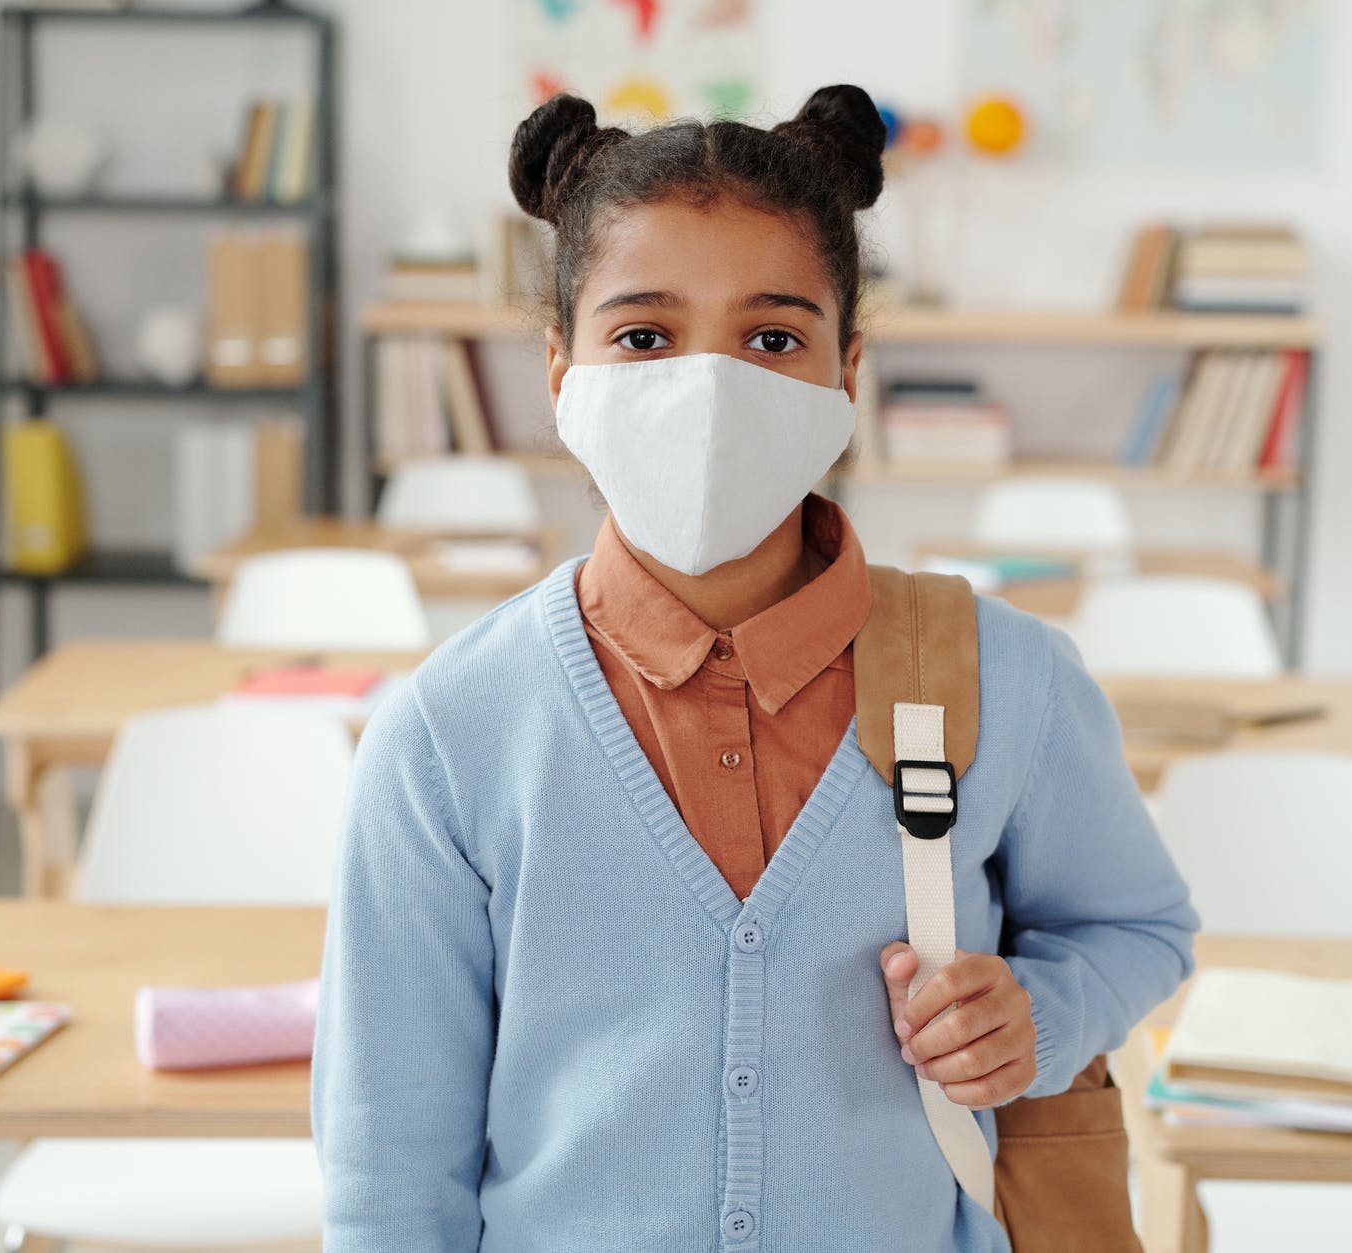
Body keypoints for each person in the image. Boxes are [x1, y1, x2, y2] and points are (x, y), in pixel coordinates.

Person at [313, 84, 1198, 1252]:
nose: (710, 387)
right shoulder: (446, 731)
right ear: (557, 370)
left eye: (772, 337)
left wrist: (1036, 1012)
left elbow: (1137, 926)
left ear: (847, 370)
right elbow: (389, 1165)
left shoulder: (1007, 675)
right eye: (642, 335)